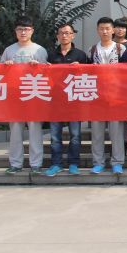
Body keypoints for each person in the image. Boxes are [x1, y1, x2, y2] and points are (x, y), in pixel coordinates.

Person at [1, 16, 48, 175]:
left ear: (32, 31)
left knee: (35, 131)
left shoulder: (39, 50)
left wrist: (38, 67)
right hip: (15, 97)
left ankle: (36, 164)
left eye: (26, 29)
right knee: (15, 132)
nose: (23, 32)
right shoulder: (9, 50)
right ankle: (15, 164)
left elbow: (47, 73)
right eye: (20, 29)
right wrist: (6, 66)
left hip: (34, 95)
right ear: (15, 31)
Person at [44, 24, 89, 178]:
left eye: (68, 33)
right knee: (55, 136)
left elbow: (90, 76)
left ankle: (73, 163)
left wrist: (81, 68)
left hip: (74, 100)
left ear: (73, 35)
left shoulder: (80, 55)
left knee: (75, 135)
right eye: (62, 33)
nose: (64, 36)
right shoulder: (51, 55)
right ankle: (56, 164)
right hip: (55, 100)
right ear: (57, 36)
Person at [89, 17, 127, 175]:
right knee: (97, 132)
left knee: (117, 132)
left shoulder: (122, 49)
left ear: (113, 30)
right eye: (101, 28)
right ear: (97, 30)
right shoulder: (92, 50)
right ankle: (98, 162)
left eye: (107, 28)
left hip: (116, 97)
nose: (105, 31)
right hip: (97, 97)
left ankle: (117, 162)